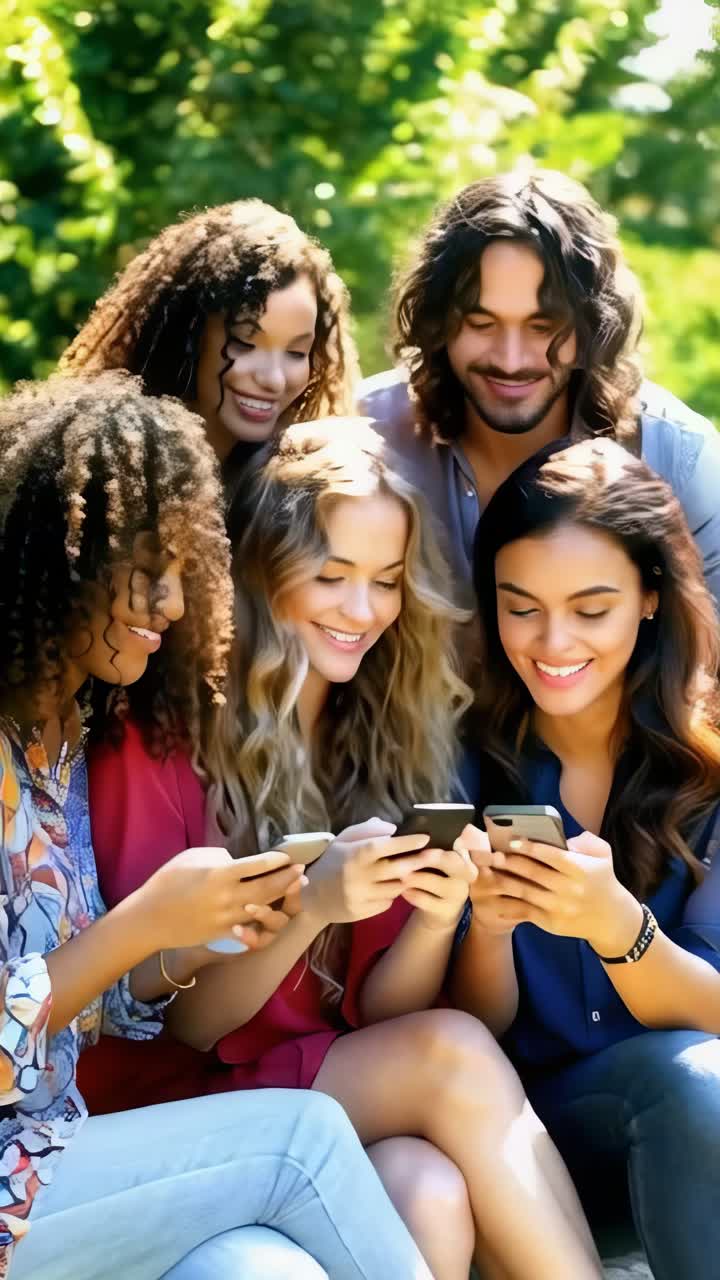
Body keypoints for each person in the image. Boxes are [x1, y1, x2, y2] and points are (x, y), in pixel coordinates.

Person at [85, 419, 603, 1280]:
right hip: (164, 1104)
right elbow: (183, 1023)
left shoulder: (380, 733)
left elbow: (382, 1014)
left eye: (386, 582)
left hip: (314, 1091)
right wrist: (312, 906)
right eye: (332, 577)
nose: (363, 612)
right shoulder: (160, 741)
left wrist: (435, 918)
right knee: (452, 1057)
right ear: (261, 570)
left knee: (427, 1190)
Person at [0, 373, 435, 1280]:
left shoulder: (65, 745)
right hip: (21, 1172)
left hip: (67, 1156)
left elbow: (101, 1011)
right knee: (302, 1140)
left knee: (261, 1269)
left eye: (181, 572)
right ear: (58, 560)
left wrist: (197, 937)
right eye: (145, 573)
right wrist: (142, 926)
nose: (170, 604)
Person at [453, 437, 720, 1280]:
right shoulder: (460, 763)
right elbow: (463, 1032)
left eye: (591, 608)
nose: (553, 640)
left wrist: (618, 931)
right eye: (521, 607)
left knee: (695, 1079)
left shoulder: (710, 769)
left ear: (650, 598)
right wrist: (489, 930)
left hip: (696, 1127)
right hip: (520, 1143)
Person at [360, 168, 720, 619]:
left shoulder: (678, 456)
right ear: (438, 321)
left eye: (543, 327)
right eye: (481, 323)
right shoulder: (367, 433)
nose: (511, 360)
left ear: (593, 326)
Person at [60, 198, 358, 494]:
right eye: (245, 343)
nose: (274, 379)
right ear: (187, 331)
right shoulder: (92, 473)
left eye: (296, 353)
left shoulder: (302, 488)